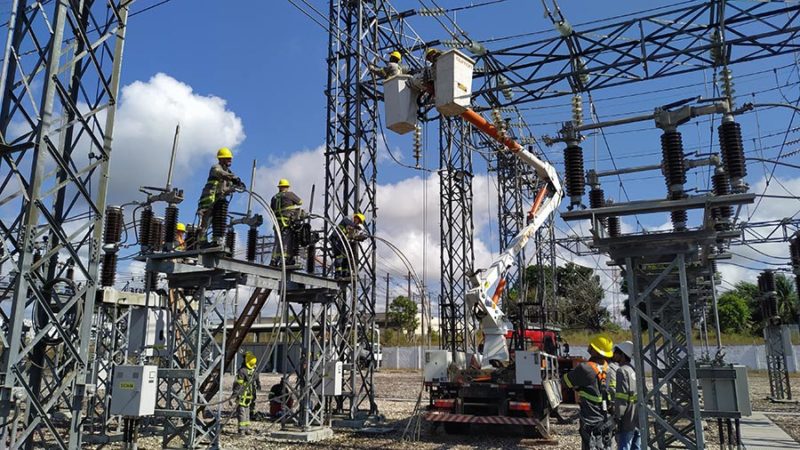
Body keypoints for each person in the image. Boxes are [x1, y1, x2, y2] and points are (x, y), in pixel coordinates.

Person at [563, 335, 615, 450]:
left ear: (596, 351)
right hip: (606, 419)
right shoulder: (609, 369)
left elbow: (565, 382)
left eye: (592, 346)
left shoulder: (584, 368)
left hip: (590, 420)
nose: (589, 347)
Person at [195, 147, 244, 246]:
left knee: (217, 220)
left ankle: (216, 240)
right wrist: (234, 179)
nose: (230, 160)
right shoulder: (216, 168)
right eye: (227, 158)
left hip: (219, 200)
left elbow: (227, 187)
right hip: (209, 199)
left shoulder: (229, 172)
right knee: (206, 221)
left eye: (230, 158)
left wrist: (238, 185)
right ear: (221, 159)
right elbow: (221, 174)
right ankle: (202, 241)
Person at [269, 179, 303, 266]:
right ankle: (284, 260)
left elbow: (271, 209)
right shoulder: (289, 194)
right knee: (286, 241)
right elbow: (300, 202)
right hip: (287, 222)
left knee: (277, 241)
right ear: (287, 187)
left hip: (277, 223)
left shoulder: (274, 197)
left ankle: (274, 260)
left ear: (279, 187)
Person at [614, 341, 640, 450]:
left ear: (622, 355)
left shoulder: (622, 371)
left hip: (627, 418)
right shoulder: (633, 369)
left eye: (616, 352)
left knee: (625, 445)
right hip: (637, 416)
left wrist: (617, 416)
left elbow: (622, 397)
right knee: (637, 445)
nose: (613, 355)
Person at [330, 213, 368, 279]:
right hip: (336, 238)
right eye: (358, 220)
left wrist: (361, 237)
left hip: (342, 241)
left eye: (359, 222)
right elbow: (345, 221)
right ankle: (337, 274)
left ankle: (344, 273)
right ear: (356, 217)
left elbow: (352, 236)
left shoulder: (351, 226)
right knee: (339, 256)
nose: (358, 222)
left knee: (346, 257)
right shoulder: (347, 220)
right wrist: (355, 226)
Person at [232, 351, 258, 435]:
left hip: (242, 394)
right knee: (247, 411)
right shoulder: (254, 371)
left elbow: (238, 384)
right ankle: (247, 429)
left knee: (241, 412)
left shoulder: (242, 371)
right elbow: (257, 383)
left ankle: (241, 430)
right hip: (250, 395)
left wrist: (234, 395)